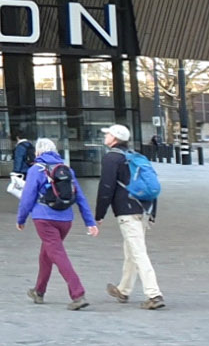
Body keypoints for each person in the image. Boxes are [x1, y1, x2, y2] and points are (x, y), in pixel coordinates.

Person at [16, 138, 97, 309]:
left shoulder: (36, 169)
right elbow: (80, 197)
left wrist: (21, 219)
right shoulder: (66, 169)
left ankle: (78, 294)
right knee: (47, 254)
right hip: (66, 219)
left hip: (44, 218)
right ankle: (39, 291)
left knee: (58, 255)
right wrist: (90, 222)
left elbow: (27, 197)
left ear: (38, 152)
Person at [95, 124, 163, 310]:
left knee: (138, 252)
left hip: (126, 211)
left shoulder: (111, 158)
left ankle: (153, 294)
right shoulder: (135, 156)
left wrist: (99, 214)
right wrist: (152, 213)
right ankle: (123, 290)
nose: (105, 136)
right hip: (143, 209)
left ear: (115, 138)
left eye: (108, 134)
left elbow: (106, 188)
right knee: (131, 250)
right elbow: (152, 184)